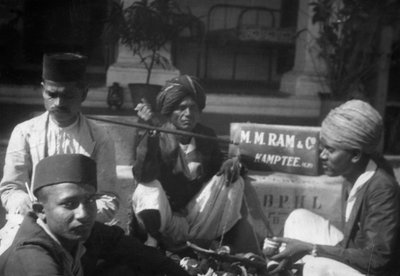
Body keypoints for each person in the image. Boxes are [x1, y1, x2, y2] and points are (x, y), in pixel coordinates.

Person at [0, 53, 119, 253]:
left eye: (68, 95)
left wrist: (74, 217)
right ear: (42, 91)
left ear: (84, 93)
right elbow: (11, 189)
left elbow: (109, 198)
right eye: (52, 94)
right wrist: (36, 212)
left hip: (82, 227)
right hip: (32, 222)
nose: (58, 103)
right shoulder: (24, 132)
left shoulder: (100, 137)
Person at [0, 154, 190, 276]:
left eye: (90, 200)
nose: (83, 213)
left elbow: (138, 252)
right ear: (40, 210)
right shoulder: (32, 259)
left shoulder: (77, 231)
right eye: (69, 204)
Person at [269, 100, 400, 276]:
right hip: (356, 259)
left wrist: (312, 249)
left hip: (373, 271)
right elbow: (349, 243)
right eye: (323, 148)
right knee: (298, 218)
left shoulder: (381, 189)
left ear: (355, 154)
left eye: (330, 150)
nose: (322, 155)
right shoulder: (352, 176)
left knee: (316, 267)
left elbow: (377, 260)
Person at [132, 75, 246, 250]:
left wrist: (231, 163)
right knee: (147, 186)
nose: (188, 114)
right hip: (166, 218)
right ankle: (153, 242)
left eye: (193, 108)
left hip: (196, 218)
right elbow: (143, 174)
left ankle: (211, 242)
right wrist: (151, 132)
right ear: (169, 112)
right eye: (181, 108)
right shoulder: (158, 135)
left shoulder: (206, 135)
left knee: (234, 181)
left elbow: (219, 163)